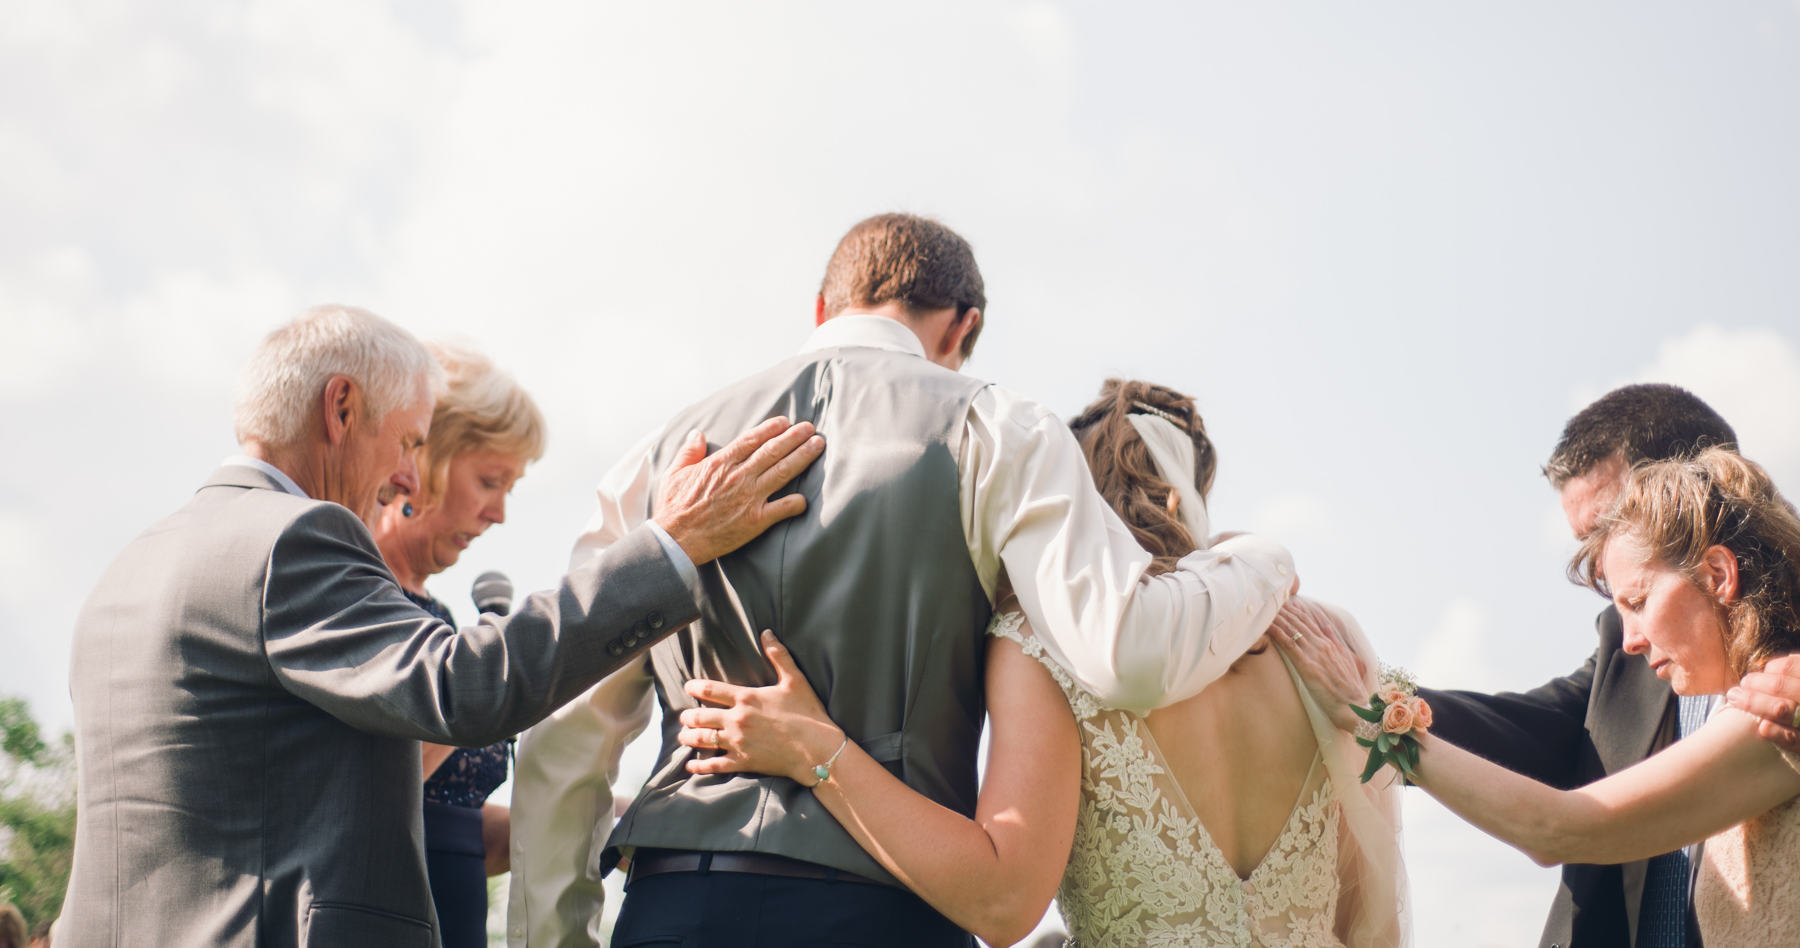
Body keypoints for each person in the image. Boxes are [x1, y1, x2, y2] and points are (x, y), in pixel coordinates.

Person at [507, 215, 1298, 948]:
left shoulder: (657, 452)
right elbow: (1128, 652)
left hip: (674, 911)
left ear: (823, 306)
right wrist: (1263, 562)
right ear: (964, 327)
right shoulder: (999, 428)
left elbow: (567, 735)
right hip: (883, 913)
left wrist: (556, 936)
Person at [61, 304, 824, 947]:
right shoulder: (294, 539)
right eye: (409, 442)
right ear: (341, 408)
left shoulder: (126, 571)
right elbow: (465, 688)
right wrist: (669, 546)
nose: (405, 477)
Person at [682, 379, 1408, 947]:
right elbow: (1365, 914)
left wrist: (818, 748)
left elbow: (1001, 903)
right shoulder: (1322, 641)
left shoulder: (1041, 644)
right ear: (1192, 491)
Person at [1279, 446, 1800, 947]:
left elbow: (1559, 828)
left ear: (1718, 574)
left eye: (1638, 601)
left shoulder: (1773, 714)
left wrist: (1369, 718)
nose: (1630, 640)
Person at [1413, 383, 1738, 948]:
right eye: (1585, 546)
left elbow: (1556, 831)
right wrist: (1377, 699)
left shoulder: (1784, 678)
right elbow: (1533, 726)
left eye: (1607, 529)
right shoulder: (1629, 640)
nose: (1600, 572)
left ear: (1691, 490)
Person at [370, 343, 547, 948]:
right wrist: (479, 686)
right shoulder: (355, 595)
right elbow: (369, 793)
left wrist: (599, 819)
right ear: (428, 456)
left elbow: (450, 824)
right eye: (489, 480)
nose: (497, 512)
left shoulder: (442, 619)